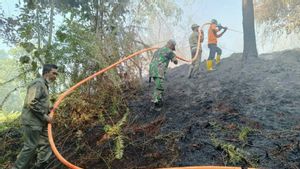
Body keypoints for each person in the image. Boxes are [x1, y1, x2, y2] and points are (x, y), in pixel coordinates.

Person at [12, 64, 58, 169]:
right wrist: (45, 116)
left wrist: (50, 109)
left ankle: (40, 166)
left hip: (40, 122)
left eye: (56, 74)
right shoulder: (38, 83)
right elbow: (31, 102)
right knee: (30, 146)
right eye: (54, 73)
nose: (55, 76)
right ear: (46, 72)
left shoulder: (45, 85)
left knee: (46, 143)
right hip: (32, 122)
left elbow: (39, 102)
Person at [149, 40, 178, 107]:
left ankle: (158, 99)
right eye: (173, 47)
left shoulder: (158, 50)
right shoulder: (170, 52)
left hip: (152, 70)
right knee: (159, 87)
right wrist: (174, 58)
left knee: (158, 85)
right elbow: (175, 62)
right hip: (159, 70)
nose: (172, 49)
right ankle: (157, 103)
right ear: (171, 45)